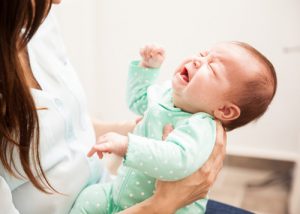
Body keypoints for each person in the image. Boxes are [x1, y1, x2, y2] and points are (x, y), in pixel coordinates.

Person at [0, 1, 229, 214]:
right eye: (202, 55)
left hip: (111, 191)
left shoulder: (38, 17)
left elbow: (61, 121)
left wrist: (134, 129)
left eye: (213, 69)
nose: (59, 2)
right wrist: (162, 204)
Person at [71, 42, 277, 214]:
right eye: (203, 54)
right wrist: (147, 69)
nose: (198, 60)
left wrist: (127, 146)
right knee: (88, 199)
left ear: (224, 110)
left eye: (212, 68)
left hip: (170, 210)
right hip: (119, 193)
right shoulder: (168, 94)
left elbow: (175, 160)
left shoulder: (201, 127)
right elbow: (138, 101)